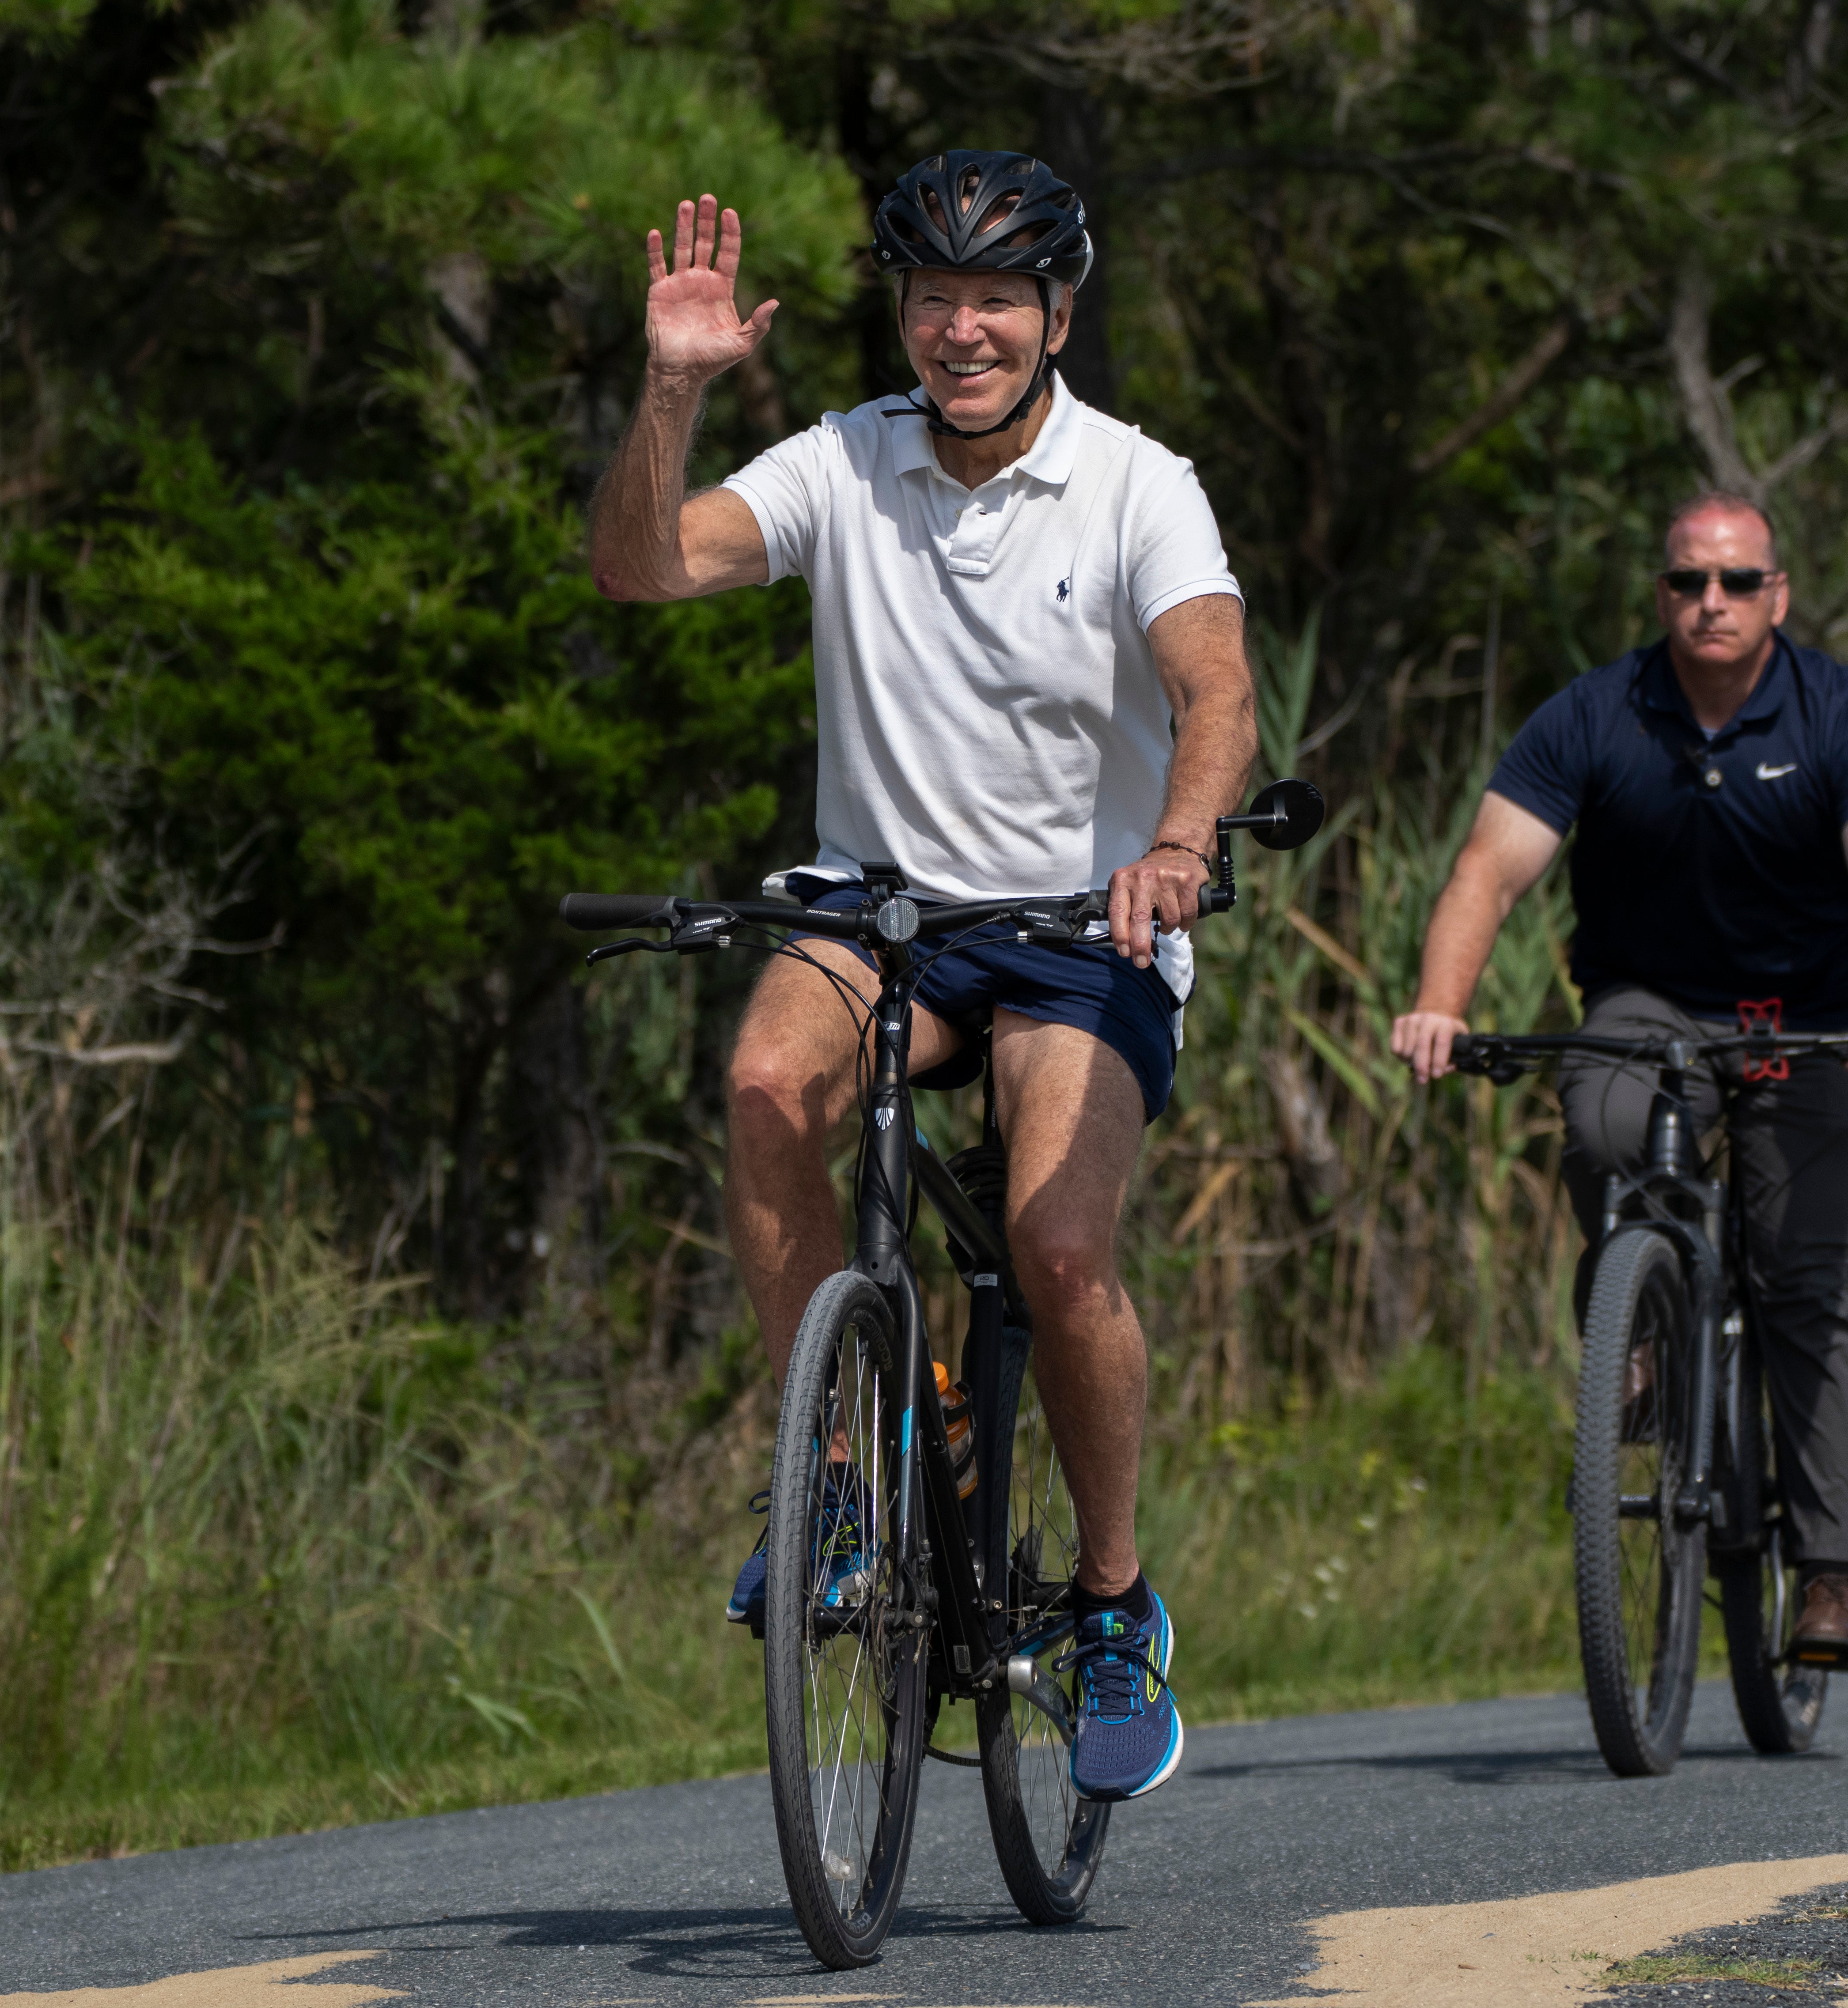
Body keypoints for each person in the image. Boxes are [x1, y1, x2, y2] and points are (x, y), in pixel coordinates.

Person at [587, 155, 1256, 1800]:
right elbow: (643, 566)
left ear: (1057, 315)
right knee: (761, 1086)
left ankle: (1111, 1600)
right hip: (881, 910)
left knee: (1056, 1233)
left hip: (1077, 930)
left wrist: (1175, 840)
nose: (963, 329)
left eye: (997, 299)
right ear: (902, 313)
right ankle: (841, 1475)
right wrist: (669, 393)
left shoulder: (1136, 484)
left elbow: (1216, 684)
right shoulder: (844, 462)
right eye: (934, 297)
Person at [1387, 494, 1848, 1666]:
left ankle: (1832, 1572)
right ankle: (1636, 1326)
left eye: (1739, 583)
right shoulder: (1598, 714)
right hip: (1652, 1005)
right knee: (1601, 1116)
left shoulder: (1842, 714)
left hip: (1813, 1020)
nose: (1714, 603)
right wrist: (1443, 1002)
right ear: (1662, 597)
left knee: (1806, 1284)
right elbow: (1488, 868)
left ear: (1777, 595)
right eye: (1691, 582)